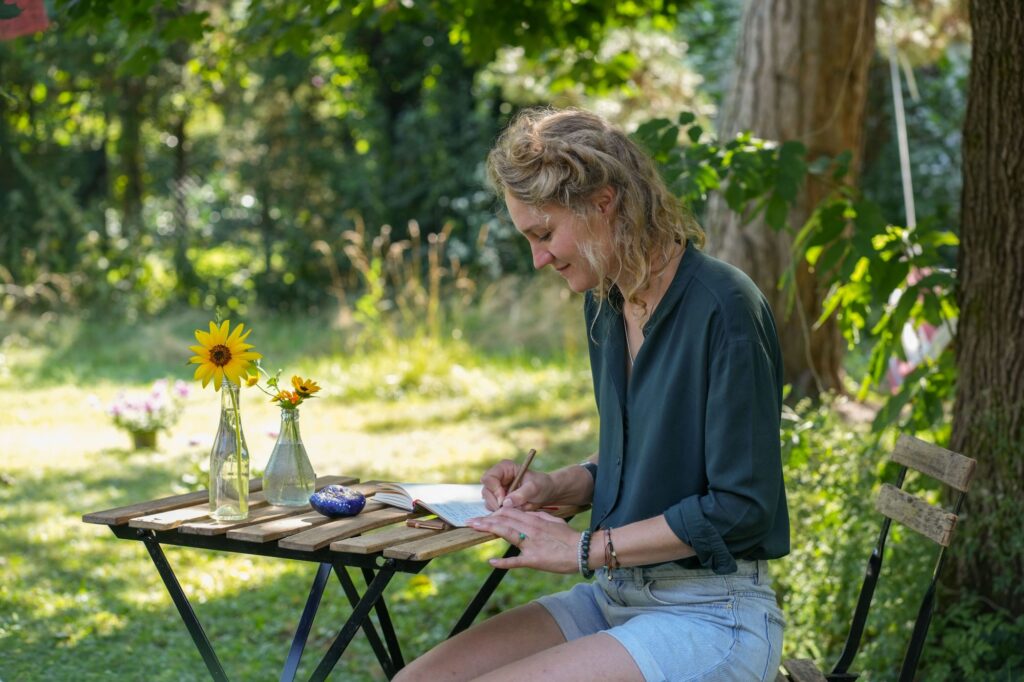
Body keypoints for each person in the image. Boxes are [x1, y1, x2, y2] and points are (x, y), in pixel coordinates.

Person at [395, 107, 789, 682]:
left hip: (712, 615)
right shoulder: (606, 302)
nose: (539, 258)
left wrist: (582, 548)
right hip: (615, 598)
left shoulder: (724, 305)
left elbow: (741, 508)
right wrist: (558, 485)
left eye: (544, 233)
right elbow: (645, 455)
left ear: (603, 202)